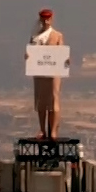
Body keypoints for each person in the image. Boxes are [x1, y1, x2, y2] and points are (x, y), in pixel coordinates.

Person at [30, 8, 65, 140]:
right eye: (44, 19)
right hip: (39, 72)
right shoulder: (35, 37)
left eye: (48, 19)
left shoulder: (57, 35)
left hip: (53, 73)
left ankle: (54, 129)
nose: (46, 21)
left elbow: (61, 52)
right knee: (41, 101)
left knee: (53, 100)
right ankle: (42, 129)